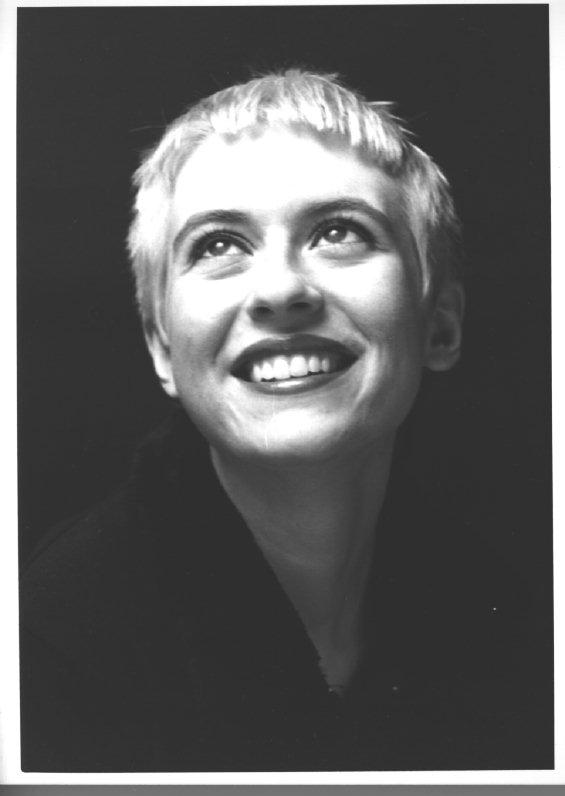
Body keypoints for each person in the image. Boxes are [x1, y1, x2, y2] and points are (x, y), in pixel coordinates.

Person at [19, 70, 552, 772]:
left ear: (440, 325)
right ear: (163, 350)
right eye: (217, 246)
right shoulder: (44, 651)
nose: (279, 290)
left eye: (338, 232)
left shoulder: (518, 622)